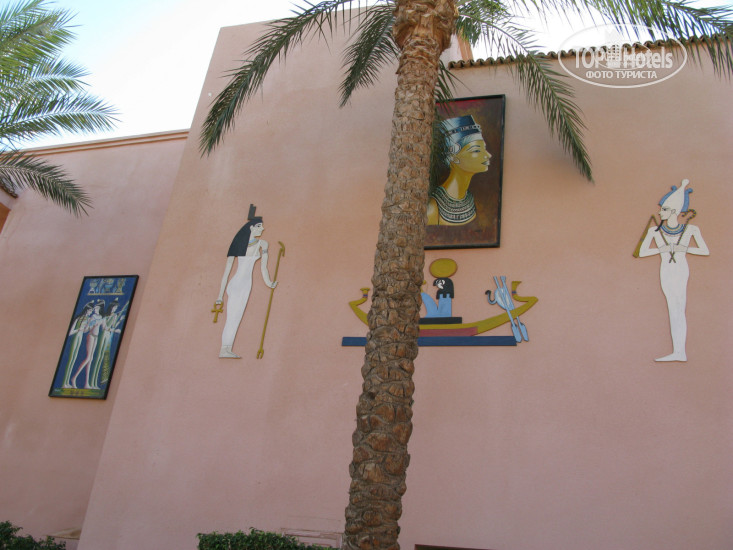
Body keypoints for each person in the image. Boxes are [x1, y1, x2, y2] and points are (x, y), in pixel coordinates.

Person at [638, 179, 709, 362]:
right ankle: (678, 351)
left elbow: (704, 250)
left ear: (673, 211)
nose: (660, 212)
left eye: (664, 209)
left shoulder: (691, 229)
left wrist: (684, 248)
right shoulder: (654, 231)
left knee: (680, 307)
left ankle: (680, 351)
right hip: (666, 271)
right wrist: (660, 249)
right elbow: (642, 252)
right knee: (672, 308)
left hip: (681, 270)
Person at [215, 212, 277, 358]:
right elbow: (226, 272)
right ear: (251, 227)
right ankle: (224, 349)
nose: (262, 229)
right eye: (259, 226)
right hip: (238, 284)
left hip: (245, 284)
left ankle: (226, 348)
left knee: (236, 316)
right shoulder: (238, 244)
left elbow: (263, 267)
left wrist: (269, 283)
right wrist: (220, 296)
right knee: (233, 316)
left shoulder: (262, 244)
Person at [427, 115, 491, 226]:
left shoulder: (469, 200)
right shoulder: (433, 209)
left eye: (484, 148)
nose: (488, 155)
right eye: (476, 150)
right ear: (454, 157)